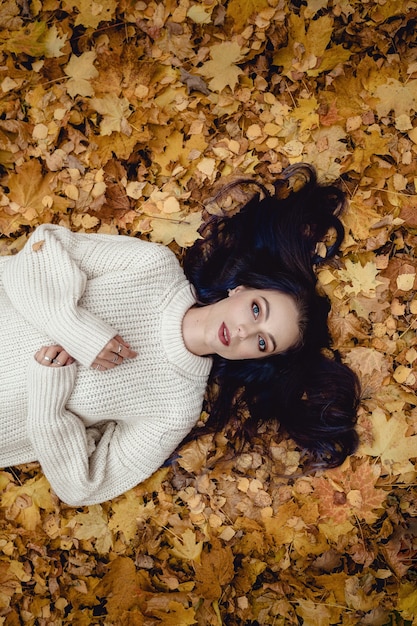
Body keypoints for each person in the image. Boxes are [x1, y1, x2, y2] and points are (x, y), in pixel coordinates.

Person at [0, 163, 360, 506]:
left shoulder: (176, 407)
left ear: (257, 360)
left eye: (262, 342)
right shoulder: (153, 267)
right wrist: (74, 329)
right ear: (240, 289)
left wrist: (48, 402)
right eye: (256, 309)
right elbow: (42, 249)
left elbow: (82, 486)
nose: (243, 332)